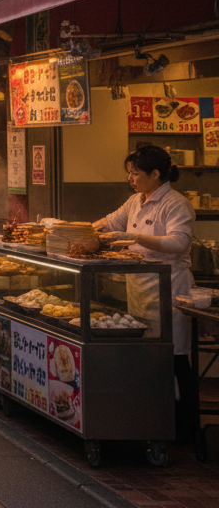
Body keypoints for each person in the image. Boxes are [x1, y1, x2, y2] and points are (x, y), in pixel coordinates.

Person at [93, 145, 197, 439]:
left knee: (174, 357)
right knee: (149, 356)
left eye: (135, 173)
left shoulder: (176, 204)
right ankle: (152, 417)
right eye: (129, 173)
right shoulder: (136, 201)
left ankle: (185, 427)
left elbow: (178, 243)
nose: (131, 178)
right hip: (140, 288)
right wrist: (75, 230)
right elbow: (109, 222)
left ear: (155, 174)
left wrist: (132, 237)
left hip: (169, 288)